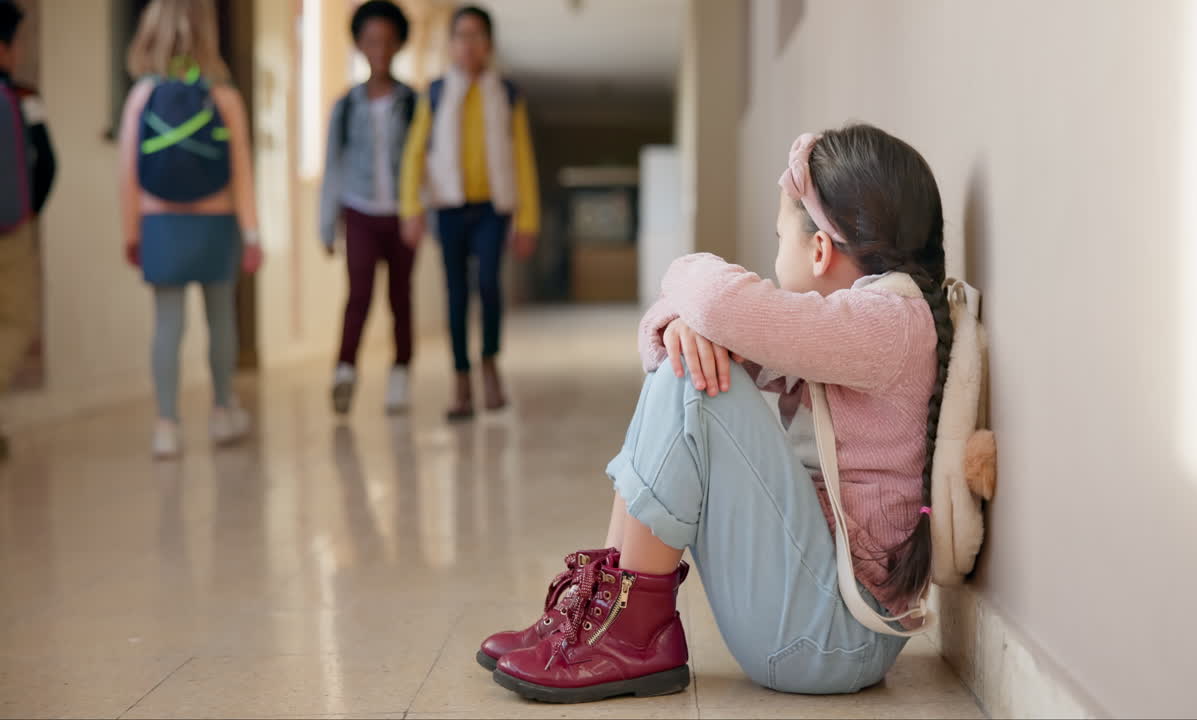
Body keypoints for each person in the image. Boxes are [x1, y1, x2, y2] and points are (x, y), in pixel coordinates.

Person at [476, 124, 954, 703]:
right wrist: (681, 327)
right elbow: (671, 344)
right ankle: (604, 608)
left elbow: (717, 304)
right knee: (688, 364)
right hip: (821, 624)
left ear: (820, 249)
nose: (775, 251)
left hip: (834, 640)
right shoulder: (847, 324)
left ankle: (629, 629)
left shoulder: (887, 323)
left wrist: (684, 292)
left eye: (779, 235)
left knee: (695, 377)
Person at [117, 0, 263, 459]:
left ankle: (166, 424)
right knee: (220, 317)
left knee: (167, 324)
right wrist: (253, 233)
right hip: (216, 221)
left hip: (160, 222)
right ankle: (222, 411)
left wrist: (132, 232)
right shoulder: (223, 95)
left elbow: (127, 172)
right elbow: (240, 168)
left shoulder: (141, 95)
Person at [399, 4, 540, 421]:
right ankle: (460, 378)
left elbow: (522, 158)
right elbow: (413, 154)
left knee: (489, 286)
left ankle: (490, 365)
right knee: (456, 292)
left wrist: (527, 220)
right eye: (461, 36)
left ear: (489, 45)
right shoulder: (436, 92)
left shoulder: (507, 93)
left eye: (477, 36)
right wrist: (411, 208)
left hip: (493, 209)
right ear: (451, 44)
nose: (469, 44)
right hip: (449, 207)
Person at [320, 0, 417, 416]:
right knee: (358, 294)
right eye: (371, 41)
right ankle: (344, 371)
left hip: (402, 214)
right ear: (359, 45)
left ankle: (400, 375)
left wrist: (419, 212)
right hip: (358, 211)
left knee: (400, 298)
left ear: (398, 46)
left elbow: (422, 164)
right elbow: (332, 167)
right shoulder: (344, 107)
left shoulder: (413, 103)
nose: (379, 48)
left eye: (388, 41)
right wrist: (326, 223)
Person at [0, 0, 56, 460]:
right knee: (16, 321)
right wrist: (28, 210)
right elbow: (48, 162)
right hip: (9, 230)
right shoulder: (24, 98)